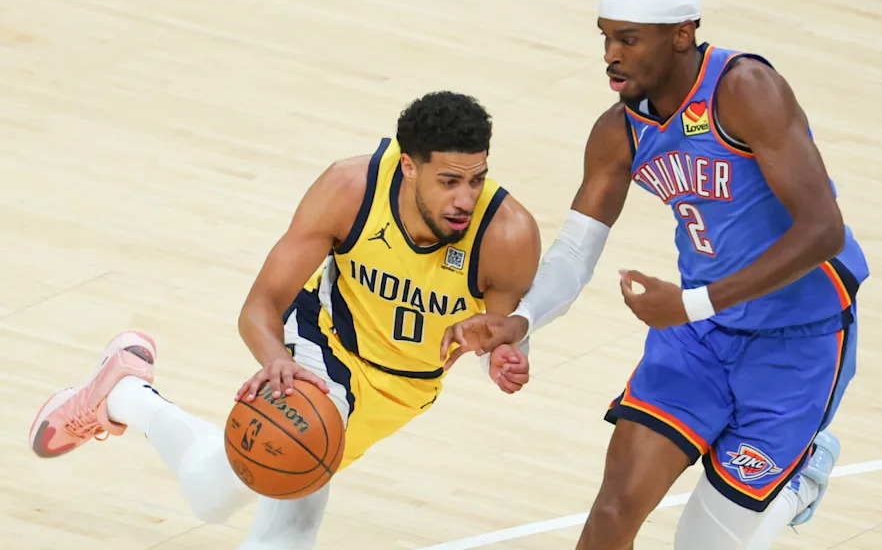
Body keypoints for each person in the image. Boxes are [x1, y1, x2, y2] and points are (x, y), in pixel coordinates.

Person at [442, 0, 869, 549]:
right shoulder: (618, 131)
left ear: (681, 35)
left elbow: (823, 229)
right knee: (613, 512)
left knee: (699, 544)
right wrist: (522, 319)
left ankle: (800, 474)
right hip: (696, 337)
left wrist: (694, 303)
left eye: (628, 39)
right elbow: (574, 251)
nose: (611, 55)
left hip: (798, 340)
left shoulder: (745, 89)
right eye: (606, 38)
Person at [29, 91, 541, 550]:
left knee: (211, 495)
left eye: (476, 179)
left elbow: (488, 337)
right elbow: (262, 302)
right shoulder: (351, 188)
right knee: (291, 528)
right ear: (408, 166)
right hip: (322, 351)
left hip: (405, 387)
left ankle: (124, 392)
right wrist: (277, 361)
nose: (465, 198)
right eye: (449, 181)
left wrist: (498, 359)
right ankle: (125, 392)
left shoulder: (507, 234)